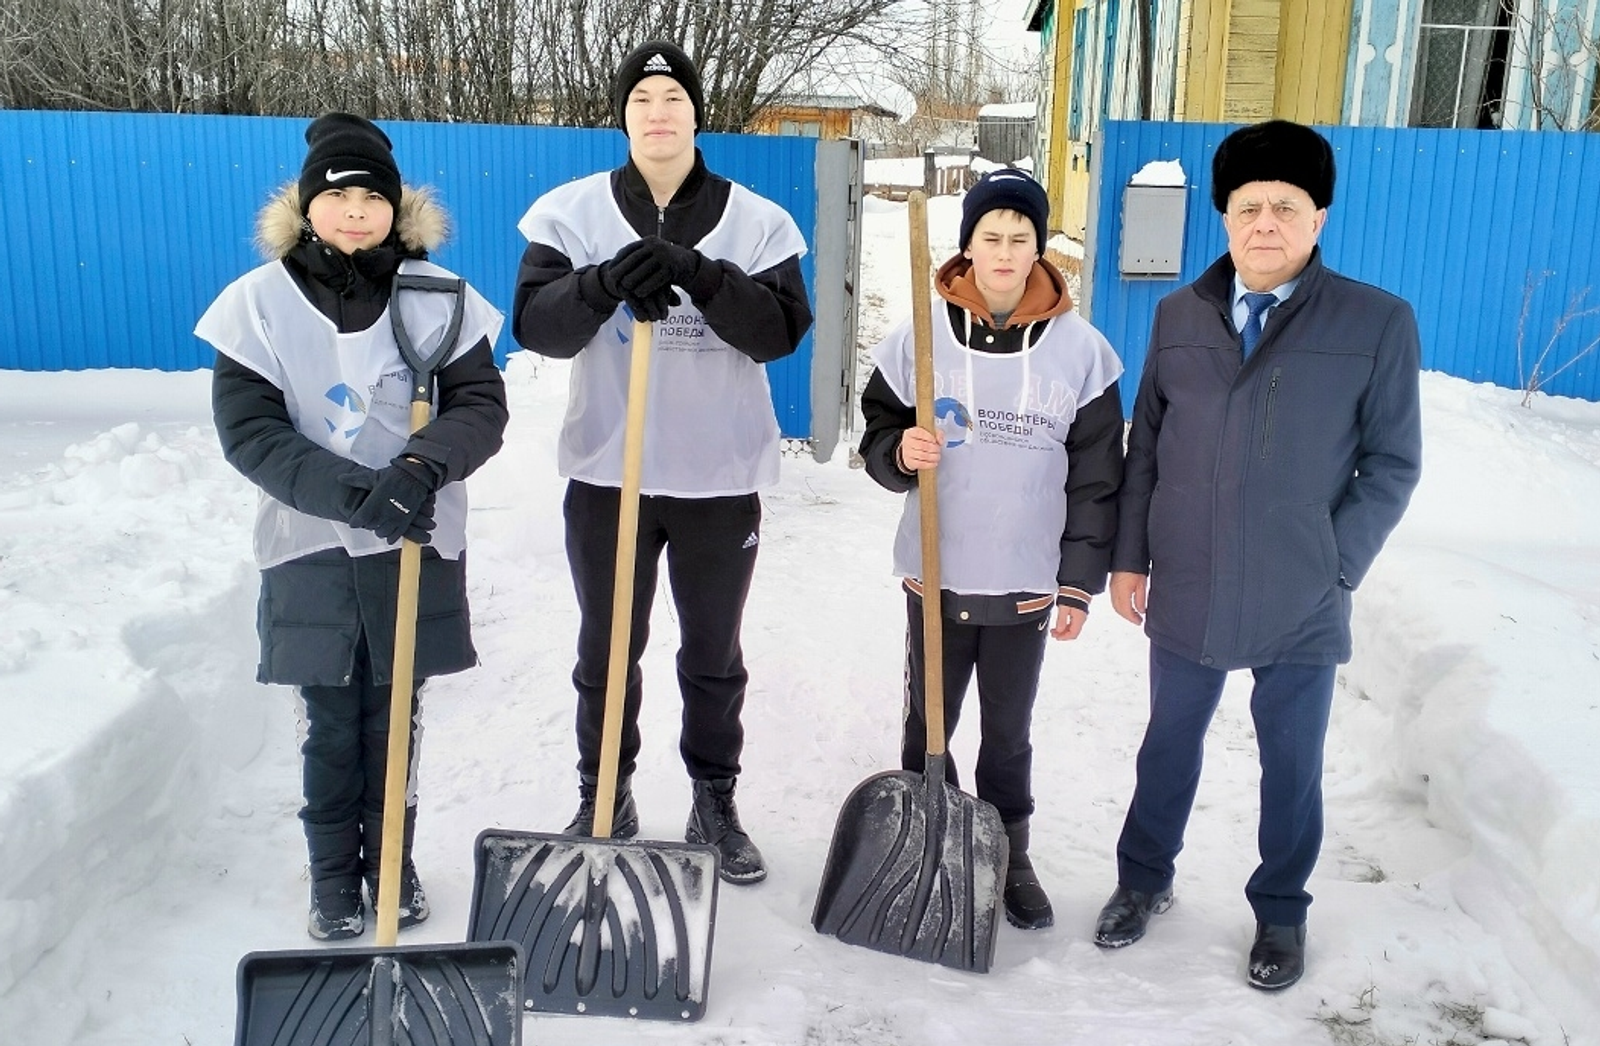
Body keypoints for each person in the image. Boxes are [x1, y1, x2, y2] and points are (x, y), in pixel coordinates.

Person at [1092, 120, 1423, 989]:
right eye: (1249, 207)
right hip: (1191, 581)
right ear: (1224, 218)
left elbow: (1392, 463)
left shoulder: (1377, 323)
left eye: (1286, 207)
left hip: (1302, 594)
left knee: (1291, 764)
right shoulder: (1180, 315)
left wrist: (1335, 561)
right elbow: (1146, 449)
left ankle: (1281, 913)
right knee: (1168, 742)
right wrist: (1130, 559)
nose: (1265, 223)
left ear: (1318, 219)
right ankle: (1142, 879)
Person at [196, 113, 508, 940]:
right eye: (339, 195)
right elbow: (251, 431)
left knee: (394, 711)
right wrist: (356, 493)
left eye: (375, 194)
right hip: (310, 546)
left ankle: (393, 864)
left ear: (396, 207)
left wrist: (420, 468)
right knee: (331, 720)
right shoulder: (256, 305)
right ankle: (334, 876)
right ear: (307, 208)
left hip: (415, 534)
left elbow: (480, 405)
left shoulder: (437, 297)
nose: (358, 210)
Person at [510, 41, 812, 885]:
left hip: (718, 478)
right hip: (612, 475)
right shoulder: (569, 215)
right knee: (608, 647)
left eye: (673, 96)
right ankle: (604, 790)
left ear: (696, 113)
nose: (657, 111)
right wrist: (602, 282)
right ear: (623, 115)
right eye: (641, 98)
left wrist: (700, 275)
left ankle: (715, 799)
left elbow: (780, 334)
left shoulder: (756, 222)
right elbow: (537, 327)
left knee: (712, 653)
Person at [858, 169, 1125, 930]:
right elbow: (876, 429)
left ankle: (1011, 851)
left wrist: (1077, 582)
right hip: (937, 575)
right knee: (927, 725)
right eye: (990, 237)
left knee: (1008, 732)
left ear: (1041, 247)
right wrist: (898, 451)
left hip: (1025, 581)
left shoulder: (1082, 351)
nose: (1005, 253)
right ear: (967, 245)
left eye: (1020, 238)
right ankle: (917, 844)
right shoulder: (921, 331)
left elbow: (1099, 476)